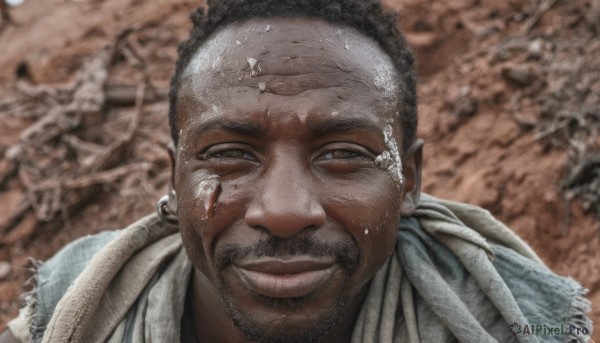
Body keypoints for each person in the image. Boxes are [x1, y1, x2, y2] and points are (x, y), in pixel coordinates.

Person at [0, 0, 593, 342]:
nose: (284, 212)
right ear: (174, 176)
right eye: (230, 153)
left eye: (343, 154)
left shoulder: (516, 323)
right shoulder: (69, 315)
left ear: (410, 179)